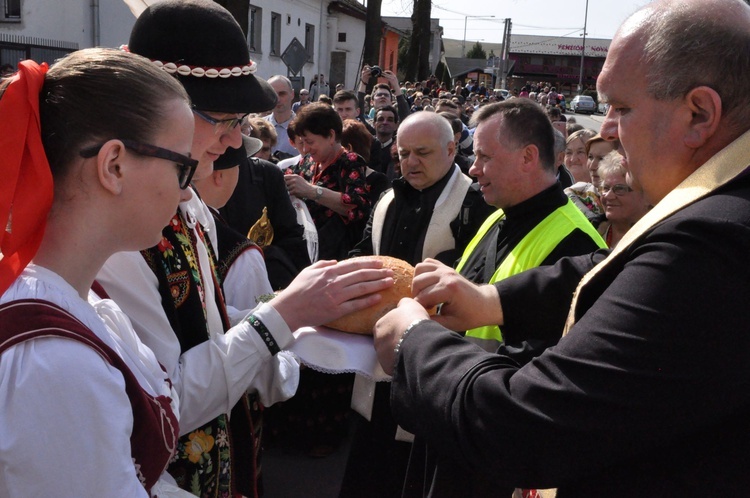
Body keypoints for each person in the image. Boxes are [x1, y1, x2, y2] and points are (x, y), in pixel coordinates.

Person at [373, 0, 750, 495]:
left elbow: (524, 428)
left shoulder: (714, 243)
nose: (607, 130)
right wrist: (491, 300)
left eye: (622, 108)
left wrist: (412, 342)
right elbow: (609, 269)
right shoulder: (719, 211)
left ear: (700, 113)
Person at [95, 1, 394, 496]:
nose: (236, 139)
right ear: (162, 111)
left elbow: (210, 322)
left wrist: (290, 317)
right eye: (225, 119)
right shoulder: (117, 234)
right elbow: (170, 401)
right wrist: (283, 313)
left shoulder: (188, 209)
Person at [0, 48, 195, 497]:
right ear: (114, 165)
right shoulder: (55, 362)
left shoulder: (82, 300)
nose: (186, 194)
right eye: (183, 167)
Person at [341, 110, 493, 498]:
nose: (410, 162)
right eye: (403, 153)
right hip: (376, 352)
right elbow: (366, 251)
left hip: (432, 352)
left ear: (450, 148)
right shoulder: (388, 197)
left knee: (411, 465)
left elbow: (476, 276)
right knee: (371, 453)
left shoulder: (475, 203)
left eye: (421, 153)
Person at [457, 100, 606, 354]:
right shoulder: (497, 216)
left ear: (528, 157)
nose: (473, 168)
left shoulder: (580, 245)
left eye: (484, 156)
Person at [284, 102, 371, 261]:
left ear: (331, 136)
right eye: (302, 143)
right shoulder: (307, 163)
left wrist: (311, 191)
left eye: (310, 142)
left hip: (337, 256)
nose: (305, 149)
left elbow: (359, 206)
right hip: (307, 253)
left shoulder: (350, 162)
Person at [597, 151, 651, 248]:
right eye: (605, 188)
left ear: (646, 195)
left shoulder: (656, 237)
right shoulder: (589, 232)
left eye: (619, 188)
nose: (609, 196)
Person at [264, 75, 298, 159]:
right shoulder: (259, 127)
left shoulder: (303, 127)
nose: (278, 99)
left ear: (292, 94)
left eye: (282, 94)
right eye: (273, 94)